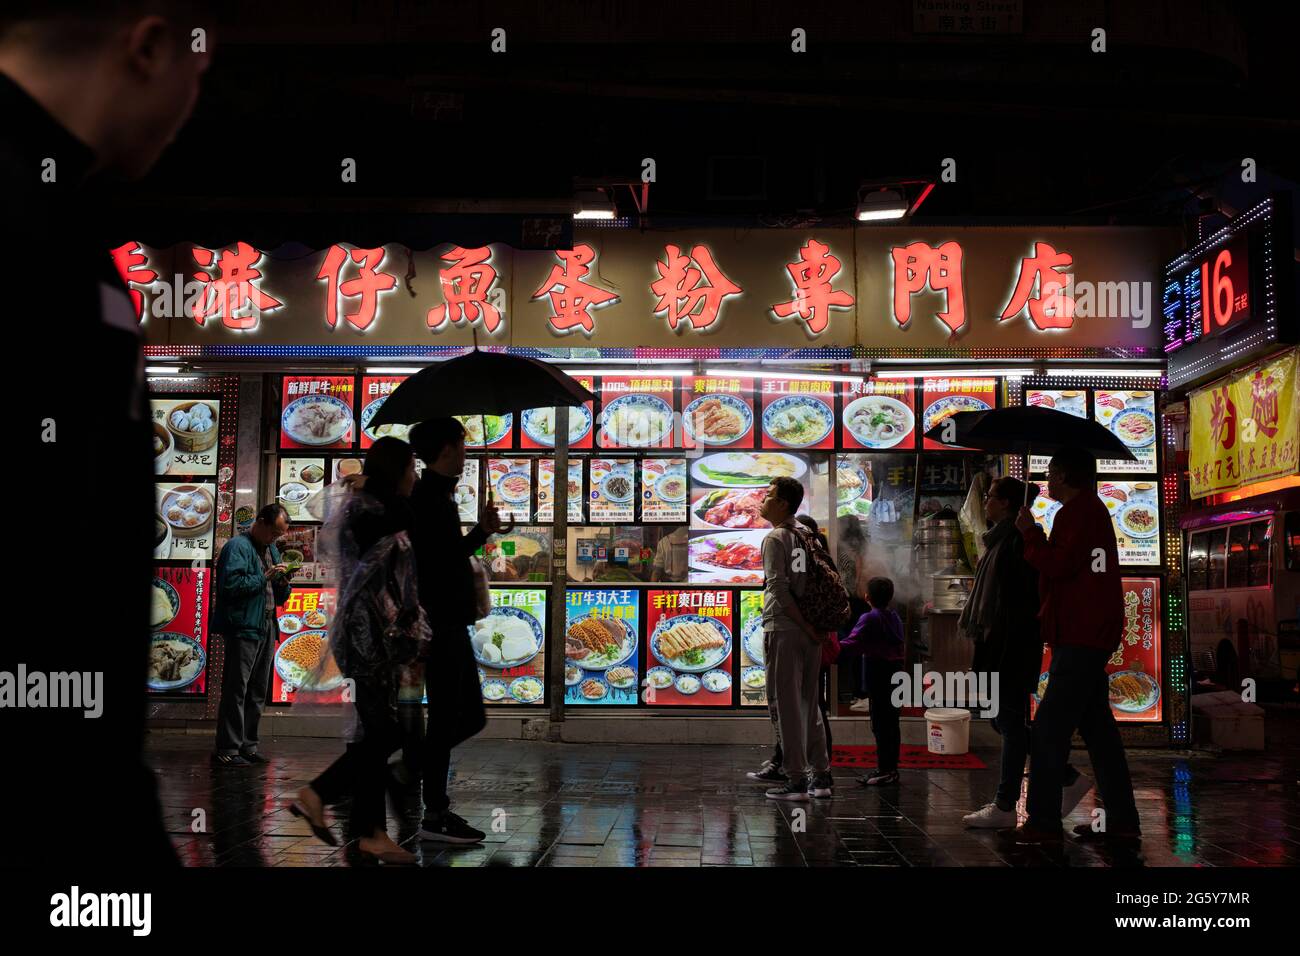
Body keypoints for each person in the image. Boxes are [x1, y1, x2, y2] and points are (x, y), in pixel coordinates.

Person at [2, 0, 212, 864]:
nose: (190, 109)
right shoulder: (30, 221)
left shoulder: (57, 204)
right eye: (197, 80)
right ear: (150, 46)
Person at [293, 437, 424, 864]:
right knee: (385, 733)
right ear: (394, 472)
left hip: (374, 634)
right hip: (366, 636)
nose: (414, 476)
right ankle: (319, 793)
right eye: (410, 468)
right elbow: (409, 516)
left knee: (371, 735)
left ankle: (371, 833)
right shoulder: (371, 509)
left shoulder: (369, 504)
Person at [1012, 447, 1140, 844]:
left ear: (1065, 474)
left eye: (1052, 471)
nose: (1048, 479)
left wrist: (1029, 533)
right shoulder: (1087, 510)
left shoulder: (1079, 512)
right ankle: (1121, 820)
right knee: (1099, 732)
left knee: (1049, 730)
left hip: (1082, 634)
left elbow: (1060, 565)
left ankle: (1043, 821)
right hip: (1086, 632)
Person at [408, 418, 504, 844]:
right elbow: (440, 564)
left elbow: (448, 554)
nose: (467, 452)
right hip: (441, 622)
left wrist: (481, 531)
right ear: (447, 448)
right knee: (457, 716)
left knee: (460, 716)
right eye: (463, 445)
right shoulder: (430, 497)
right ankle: (432, 809)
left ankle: (429, 796)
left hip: (447, 621)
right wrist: (477, 536)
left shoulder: (437, 494)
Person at [959, 477, 1049, 827]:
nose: (986, 502)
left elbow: (1018, 606)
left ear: (1009, 504)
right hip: (1001, 645)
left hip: (1010, 647)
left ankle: (1005, 804)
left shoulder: (1014, 541)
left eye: (992, 497)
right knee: (1003, 719)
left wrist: (1003, 653)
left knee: (1009, 721)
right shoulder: (1000, 539)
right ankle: (1067, 778)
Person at [757, 477, 831, 801]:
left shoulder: (776, 538)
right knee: (808, 702)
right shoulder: (807, 534)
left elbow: (778, 587)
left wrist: (801, 623)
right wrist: (813, 628)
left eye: (769, 495)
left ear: (783, 504)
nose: (763, 499)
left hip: (787, 629)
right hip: (811, 631)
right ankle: (821, 776)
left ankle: (796, 779)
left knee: (785, 705)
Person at [212, 504, 291, 767]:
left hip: (267, 625)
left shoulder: (270, 548)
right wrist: (264, 576)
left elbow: (277, 595)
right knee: (237, 688)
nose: (275, 539)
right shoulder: (237, 547)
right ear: (260, 522)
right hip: (243, 627)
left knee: (258, 689)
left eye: (279, 535)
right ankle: (228, 748)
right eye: (274, 533)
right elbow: (229, 586)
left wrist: (283, 582)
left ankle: (248, 745)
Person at [837, 577, 905, 785]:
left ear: (867, 596)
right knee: (892, 722)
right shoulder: (895, 617)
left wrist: (829, 646)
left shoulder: (869, 618)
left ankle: (884, 769)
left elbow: (852, 643)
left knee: (880, 722)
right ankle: (891, 768)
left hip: (879, 672)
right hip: (896, 673)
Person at [836, 516, 872, 711]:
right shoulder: (865, 547)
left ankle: (845, 692)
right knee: (859, 648)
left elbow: (842, 579)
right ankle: (860, 691)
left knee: (844, 647)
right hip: (863, 602)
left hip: (848, 602)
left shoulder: (841, 550)